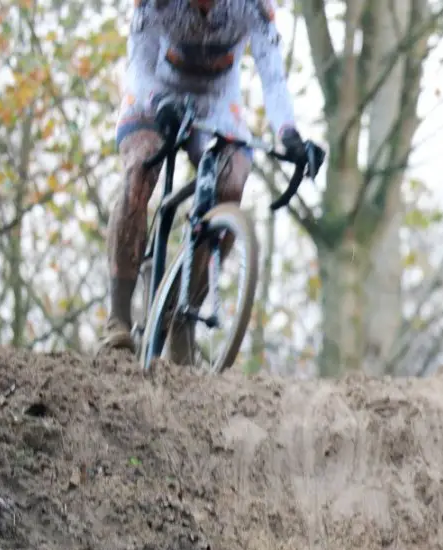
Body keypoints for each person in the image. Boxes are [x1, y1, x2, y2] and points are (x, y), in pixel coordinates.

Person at [99, 0, 323, 357]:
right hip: (153, 92)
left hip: (218, 104)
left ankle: (182, 313)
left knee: (232, 182)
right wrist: (158, 101)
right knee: (139, 170)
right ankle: (119, 320)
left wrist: (290, 134)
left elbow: (273, 74)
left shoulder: (253, 7)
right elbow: (139, 66)